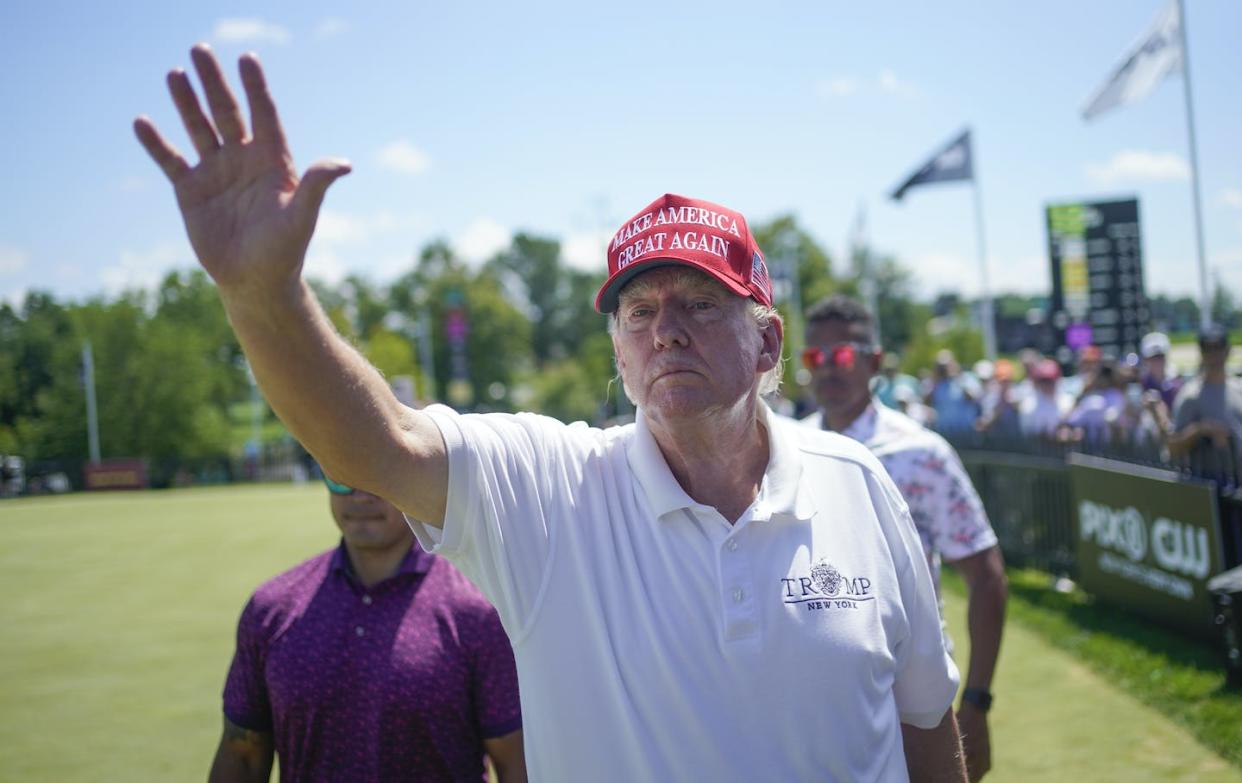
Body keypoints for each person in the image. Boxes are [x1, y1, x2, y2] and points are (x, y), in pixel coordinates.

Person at [136, 45, 967, 782]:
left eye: (701, 304)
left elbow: (926, 725)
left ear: (766, 342)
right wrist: (261, 294)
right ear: (618, 352)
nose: (666, 329)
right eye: (638, 312)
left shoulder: (859, 484)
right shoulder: (552, 491)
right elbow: (375, 442)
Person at [800, 295, 1008, 783]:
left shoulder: (921, 453)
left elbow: (987, 577)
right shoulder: (789, 448)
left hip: (913, 703)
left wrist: (977, 701)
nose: (829, 368)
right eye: (816, 357)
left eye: (844, 355)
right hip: (822, 703)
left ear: (874, 361)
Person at [208, 475, 525, 783]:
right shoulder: (271, 608)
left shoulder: (476, 612)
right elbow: (244, 755)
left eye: (376, 474)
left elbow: (514, 762)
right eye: (341, 474)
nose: (360, 493)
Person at [1169, 325, 1242, 481]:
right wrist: (1200, 430)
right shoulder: (1190, 396)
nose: (1213, 354)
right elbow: (1173, 448)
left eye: (1218, 347)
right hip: (1214, 489)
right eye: (1207, 349)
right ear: (1201, 353)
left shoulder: (1239, 388)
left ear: (1228, 350)